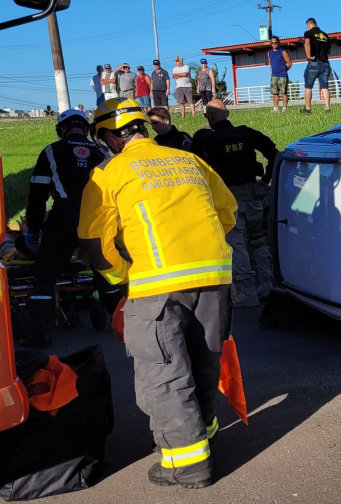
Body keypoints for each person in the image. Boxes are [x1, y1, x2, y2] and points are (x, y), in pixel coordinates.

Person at [79, 97, 236, 489]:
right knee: (204, 361)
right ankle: (203, 434)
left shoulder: (109, 173)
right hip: (214, 277)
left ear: (111, 137)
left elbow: (93, 243)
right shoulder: (189, 160)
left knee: (164, 374)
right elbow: (227, 212)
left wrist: (123, 277)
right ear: (143, 128)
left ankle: (186, 465)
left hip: (156, 286)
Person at [19, 110, 112, 348]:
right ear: (87, 129)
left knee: (45, 275)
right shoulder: (102, 153)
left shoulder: (51, 151)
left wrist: (33, 231)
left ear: (61, 129)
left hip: (64, 219)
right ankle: (119, 319)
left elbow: (38, 195)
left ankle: (41, 333)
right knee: (105, 270)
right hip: (96, 220)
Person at [188, 99, 277, 307]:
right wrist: (265, 181)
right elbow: (274, 153)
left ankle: (246, 292)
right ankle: (268, 283)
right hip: (253, 195)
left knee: (235, 243)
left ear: (210, 117)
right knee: (258, 239)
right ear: (227, 114)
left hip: (228, 200)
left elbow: (192, 163)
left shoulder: (207, 140)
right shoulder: (246, 134)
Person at [302, 18, 333, 114]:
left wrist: (308, 56)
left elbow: (307, 43)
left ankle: (307, 109)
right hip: (325, 63)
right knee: (324, 87)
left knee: (308, 86)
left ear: (308, 25)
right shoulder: (325, 35)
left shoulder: (308, 33)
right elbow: (329, 50)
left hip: (314, 62)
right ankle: (327, 108)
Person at [267, 36, 292, 112]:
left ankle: (284, 108)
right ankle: (275, 108)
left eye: (275, 43)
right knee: (274, 93)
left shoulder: (283, 52)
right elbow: (270, 63)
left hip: (282, 75)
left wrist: (284, 70)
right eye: (272, 43)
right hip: (274, 75)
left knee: (283, 92)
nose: (274, 44)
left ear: (278, 43)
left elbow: (289, 63)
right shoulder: (269, 52)